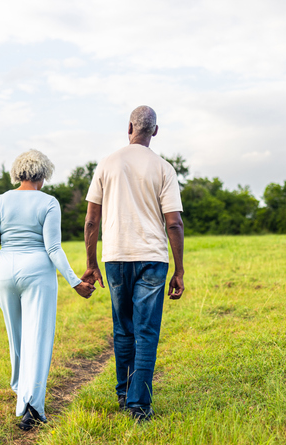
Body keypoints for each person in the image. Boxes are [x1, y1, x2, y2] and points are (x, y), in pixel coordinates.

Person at [0, 149, 95, 431]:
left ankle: (20, 393)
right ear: (42, 174)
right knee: (38, 337)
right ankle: (33, 407)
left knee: (16, 336)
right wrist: (74, 282)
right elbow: (53, 248)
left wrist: (5, 260)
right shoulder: (49, 202)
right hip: (38, 270)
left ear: (17, 173)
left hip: (4, 270)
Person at [83, 105, 185, 422]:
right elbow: (175, 224)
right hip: (153, 259)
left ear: (129, 127)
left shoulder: (107, 164)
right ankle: (138, 405)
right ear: (155, 131)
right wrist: (179, 270)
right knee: (147, 331)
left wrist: (91, 264)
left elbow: (90, 220)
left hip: (115, 257)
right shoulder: (164, 168)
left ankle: (124, 394)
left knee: (123, 329)